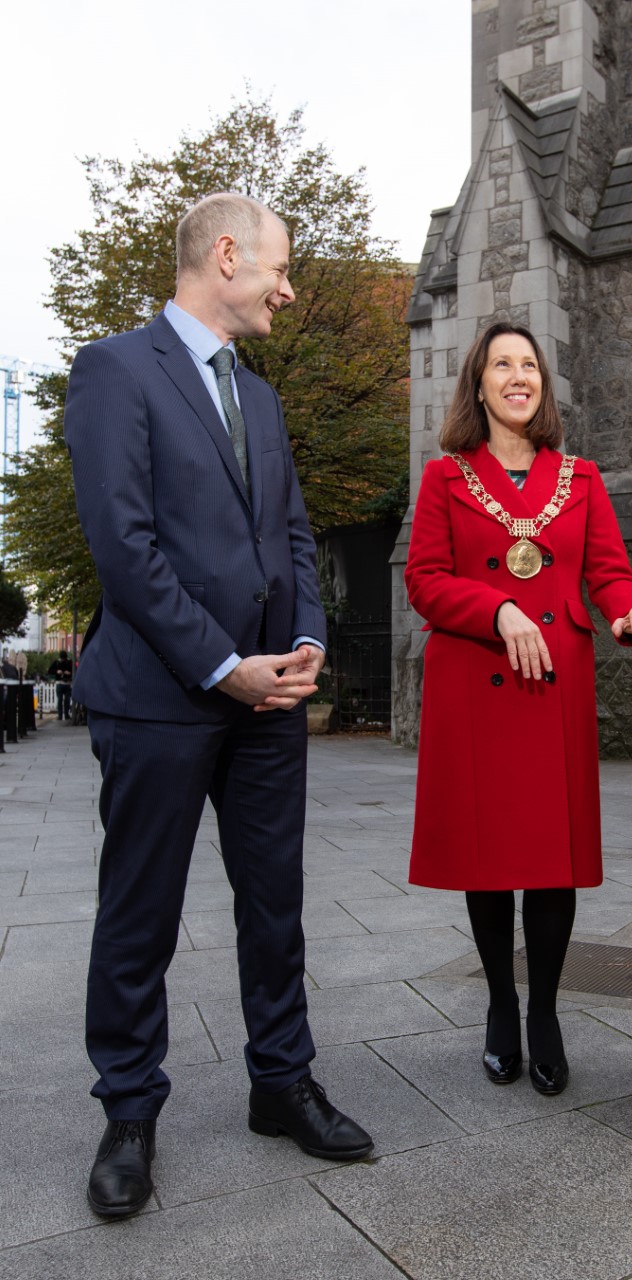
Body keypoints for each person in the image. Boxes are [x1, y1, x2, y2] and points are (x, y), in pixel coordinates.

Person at [64, 192, 372, 1220]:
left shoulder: (263, 400)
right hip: (159, 697)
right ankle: (128, 1111)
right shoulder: (115, 371)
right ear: (227, 255)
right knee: (139, 910)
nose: (288, 289)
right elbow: (124, 547)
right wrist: (221, 663)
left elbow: (293, 536)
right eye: (280, 269)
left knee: (274, 903)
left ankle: (281, 1082)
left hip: (269, 703)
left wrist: (307, 641)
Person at [405, 322, 632, 1095]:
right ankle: (499, 1004)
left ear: (541, 385)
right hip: (476, 681)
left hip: (554, 683)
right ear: (478, 384)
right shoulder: (445, 478)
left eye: (529, 364)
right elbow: (424, 580)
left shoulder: (580, 477)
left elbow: (608, 573)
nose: (518, 375)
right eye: (501, 364)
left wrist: (630, 611)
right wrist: (496, 610)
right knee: (488, 861)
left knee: (552, 863)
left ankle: (545, 1012)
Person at [48, 649, 73, 720]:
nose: (63, 660)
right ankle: (61, 715)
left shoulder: (69, 662)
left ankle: (65, 714)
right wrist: (57, 671)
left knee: (66, 700)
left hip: (67, 683)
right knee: (61, 700)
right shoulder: (57, 662)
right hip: (61, 682)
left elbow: (75, 670)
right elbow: (50, 671)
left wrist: (69, 673)